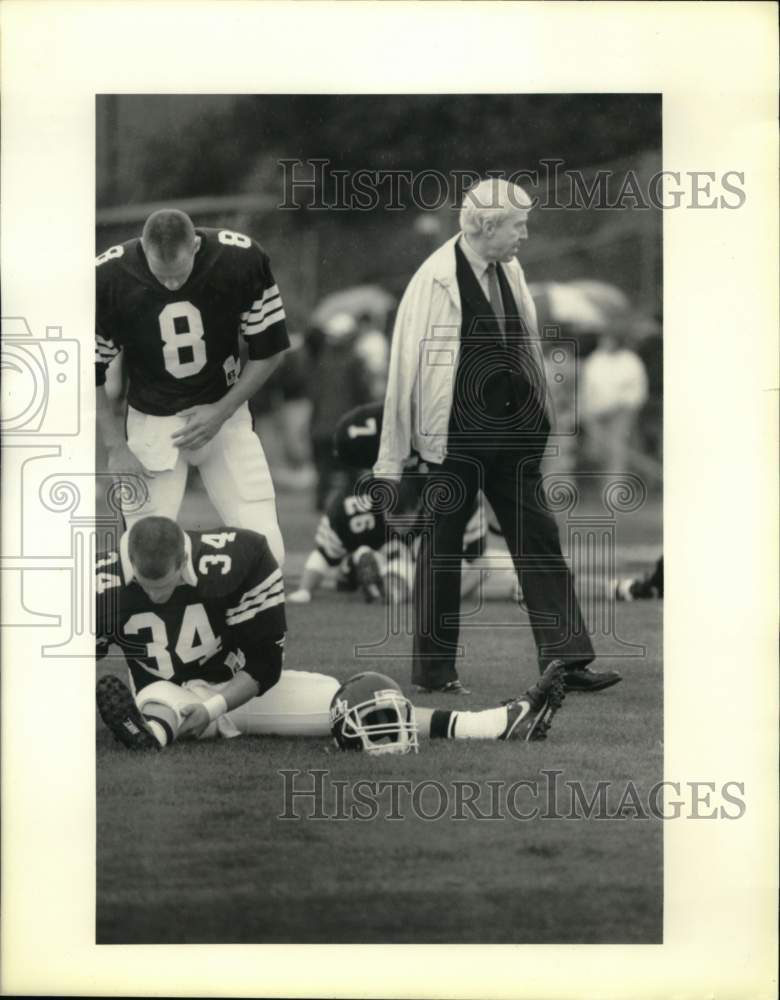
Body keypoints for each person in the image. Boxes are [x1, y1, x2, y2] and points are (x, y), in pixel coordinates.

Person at [374, 178, 621, 695]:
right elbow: (403, 368)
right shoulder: (433, 281)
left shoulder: (510, 268)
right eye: (518, 225)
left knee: (540, 543)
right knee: (441, 553)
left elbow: (524, 343)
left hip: (513, 437)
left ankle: (567, 662)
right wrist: (393, 459)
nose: (525, 235)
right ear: (487, 226)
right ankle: (435, 674)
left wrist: (540, 414)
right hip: (453, 441)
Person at [96, 516, 565, 751]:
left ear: (185, 558)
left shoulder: (243, 558)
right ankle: (149, 733)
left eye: (167, 585)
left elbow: (264, 667)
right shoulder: (102, 579)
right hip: (164, 690)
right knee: (158, 699)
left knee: (358, 705)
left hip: (239, 689)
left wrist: (214, 706)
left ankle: (494, 723)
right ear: (128, 565)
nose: (156, 598)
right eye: (145, 586)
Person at [95, 209, 288, 565]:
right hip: (153, 421)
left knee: (266, 546)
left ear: (196, 246)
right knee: (142, 553)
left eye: (178, 274)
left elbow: (271, 351)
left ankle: (252, 618)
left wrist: (222, 410)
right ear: (142, 248)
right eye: (161, 275)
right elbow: (86, 370)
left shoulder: (241, 259)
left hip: (224, 413)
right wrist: (115, 447)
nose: (170, 285)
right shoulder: (108, 276)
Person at [289, 402, 490, 608]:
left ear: (419, 507)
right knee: (398, 562)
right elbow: (323, 554)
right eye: (394, 520)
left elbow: (481, 564)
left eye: (405, 521)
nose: (401, 527)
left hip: (429, 564)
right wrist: (304, 591)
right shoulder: (354, 506)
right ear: (382, 508)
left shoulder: (451, 497)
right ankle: (362, 569)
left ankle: (362, 569)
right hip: (396, 562)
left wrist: (443, 597)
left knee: (486, 564)